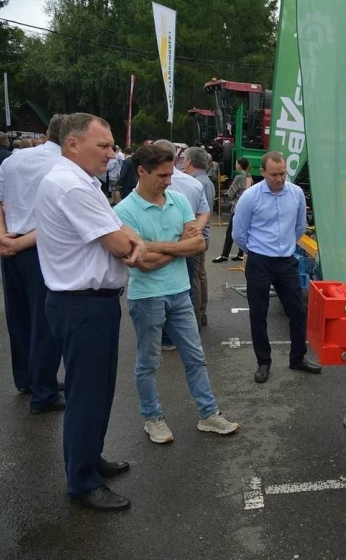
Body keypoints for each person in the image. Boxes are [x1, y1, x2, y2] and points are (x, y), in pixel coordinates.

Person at [35, 112, 147, 511]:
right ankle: (82, 481)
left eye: (112, 145)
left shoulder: (82, 181)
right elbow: (119, 242)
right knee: (86, 395)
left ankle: (89, 457)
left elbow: (120, 227)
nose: (112, 153)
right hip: (82, 304)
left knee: (98, 391)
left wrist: (132, 240)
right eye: (103, 145)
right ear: (73, 144)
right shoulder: (70, 185)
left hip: (91, 303)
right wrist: (132, 243)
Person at [114, 144, 240, 444]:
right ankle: (152, 418)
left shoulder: (179, 200)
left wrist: (155, 245)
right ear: (141, 172)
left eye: (170, 174)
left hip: (180, 292)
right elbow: (143, 263)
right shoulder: (123, 211)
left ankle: (208, 414)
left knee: (195, 357)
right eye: (162, 175)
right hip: (147, 297)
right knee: (148, 362)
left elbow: (198, 245)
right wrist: (178, 245)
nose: (168, 181)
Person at [232, 151, 321, 383]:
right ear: (262, 172)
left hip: (286, 261)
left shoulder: (296, 193)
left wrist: (286, 246)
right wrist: (256, 250)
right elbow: (239, 233)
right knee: (258, 314)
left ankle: (298, 357)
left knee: (298, 312)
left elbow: (300, 226)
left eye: (283, 173)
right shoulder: (250, 197)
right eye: (274, 175)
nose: (279, 179)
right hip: (259, 261)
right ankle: (264, 362)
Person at [0, 114, 66, 412]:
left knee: (19, 317)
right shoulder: (63, 167)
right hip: (40, 247)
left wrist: (3, 237)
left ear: (47, 133)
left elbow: (0, 201)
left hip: (11, 243)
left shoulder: (14, 159)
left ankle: (27, 378)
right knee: (45, 321)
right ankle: (44, 391)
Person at [152, 140, 210, 339]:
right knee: (187, 288)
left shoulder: (145, 182)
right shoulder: (192, 183)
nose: (166, 181)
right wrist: (192, 234)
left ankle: (167, 335)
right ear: (176, 155)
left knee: (160, 289)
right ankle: (188, 332)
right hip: (186, 247)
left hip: (159, 246)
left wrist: (190, 235)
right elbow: (204, 212)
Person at [182, 147, 214, 328]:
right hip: (203, 235)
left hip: (196, 236)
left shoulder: (195, 183)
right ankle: (201, 314)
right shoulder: (206, 181)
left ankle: (194, 319)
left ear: (189, 161)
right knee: (200, 275)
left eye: (184, 159)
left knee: (193, 278)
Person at [212, 157, 251, 263]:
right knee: (243, 230)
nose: (235, 165)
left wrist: (230, 198)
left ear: (239, 165)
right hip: (246, 207)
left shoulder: (239, 177)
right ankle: (241, 253)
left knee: (230, 231)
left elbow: (230, 193)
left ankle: (224, 254)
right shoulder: (249, 176)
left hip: (237, 206)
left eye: (236, 163)